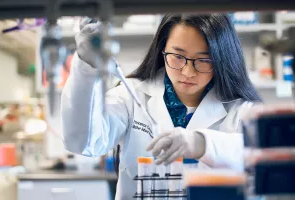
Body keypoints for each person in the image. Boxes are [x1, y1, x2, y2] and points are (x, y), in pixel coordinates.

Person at [61, 14, 261, 199]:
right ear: (162, 50)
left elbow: (259, 160)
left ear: (221, 59)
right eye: (178, 57)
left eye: (203, 60)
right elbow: (83, 141)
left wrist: (201, 143)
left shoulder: (241, 109)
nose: (188, 72)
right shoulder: (131, 95)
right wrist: (86, 67)